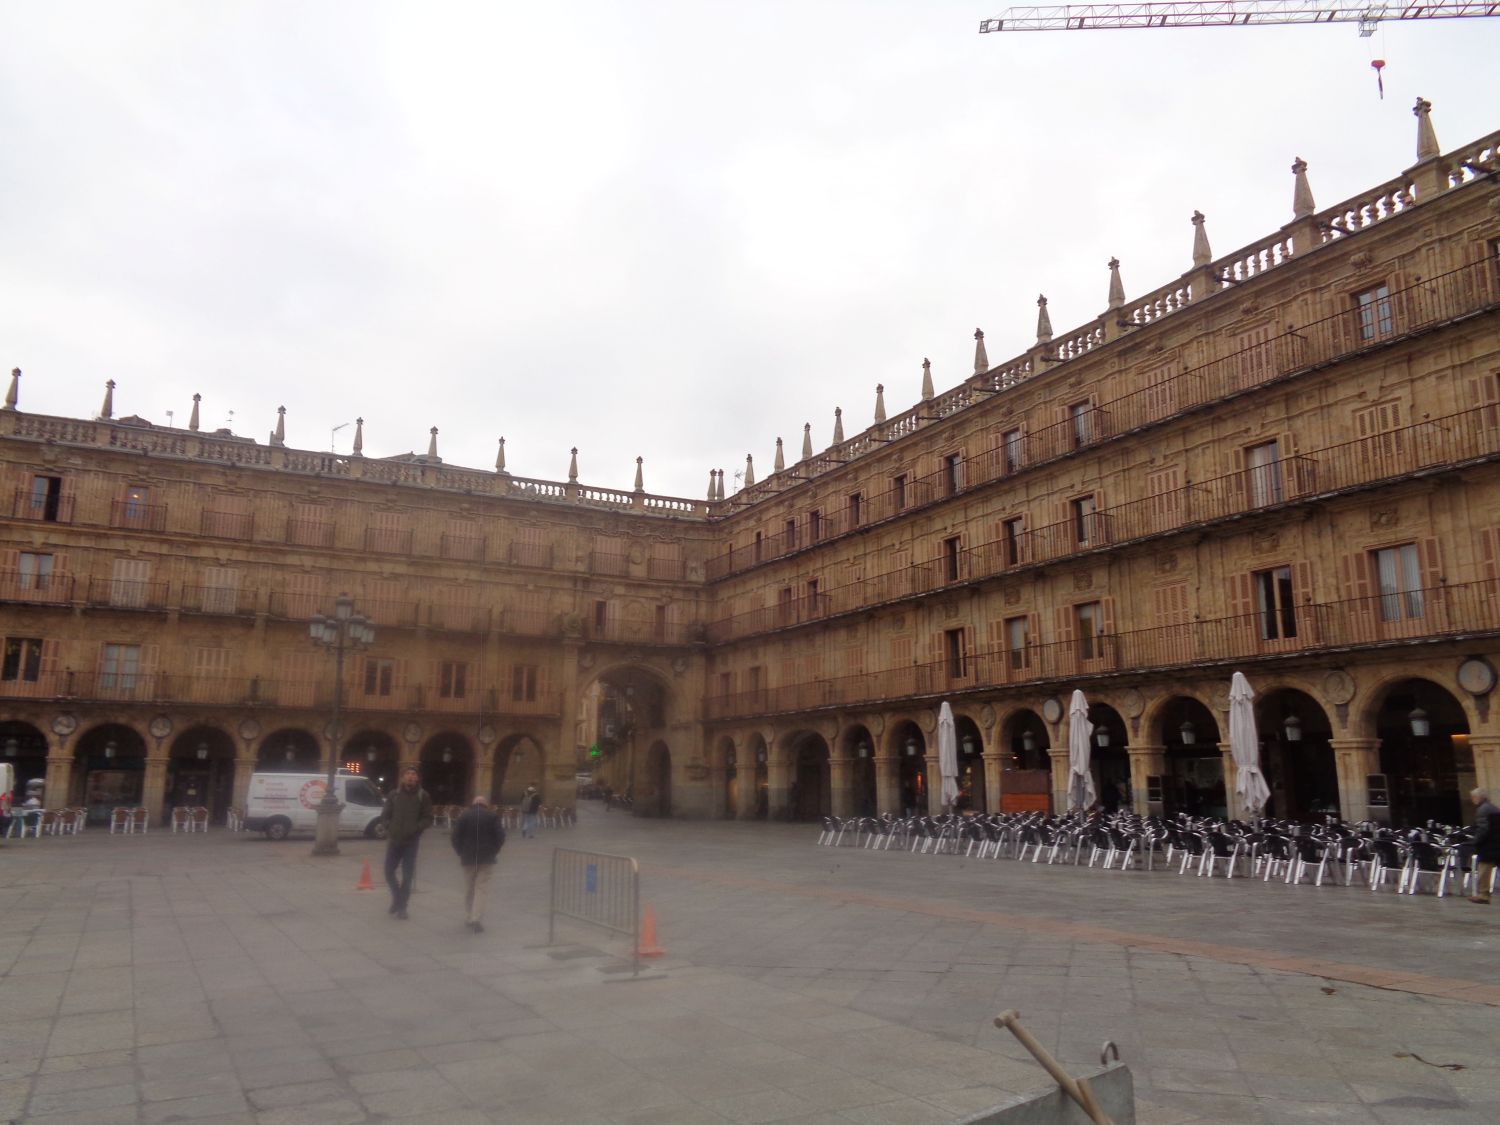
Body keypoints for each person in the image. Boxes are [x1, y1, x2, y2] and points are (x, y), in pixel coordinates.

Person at [379, 767, 433, 919]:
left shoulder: (423, 796)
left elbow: (428, 817)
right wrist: (388, 827)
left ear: (417, 779)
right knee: (388, 871)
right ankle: (397, 897)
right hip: (394, 840)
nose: (410, 777)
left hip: (411, 842)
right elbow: (385, 815)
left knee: (408, 876)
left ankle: (402, 907)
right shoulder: (394, 795)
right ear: (402, 778)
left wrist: (416, 828)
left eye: (413, 774)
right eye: (407, 774)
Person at [450, 795, 505, 932]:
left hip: (468, 857)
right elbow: (501, 836)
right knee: (481, 888)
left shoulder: (464, 815)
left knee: (470, 887)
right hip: (486, 857)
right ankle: (476, 917)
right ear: (485, 804)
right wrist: (494, 850)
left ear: (473, 804)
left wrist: (460, 851)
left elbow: (455, 836)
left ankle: (469, 915)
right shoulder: (492, 816)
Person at [1467, 787, 1500, 904]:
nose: (1472, 800)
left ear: (1479, 797)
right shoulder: (1493, 807)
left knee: (1484, 870)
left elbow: (1483, 829)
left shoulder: (1482, 810)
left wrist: (1476, 841)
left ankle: (1483, 895)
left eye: (1473, 797)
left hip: (1489, 845)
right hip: (1497, 843)